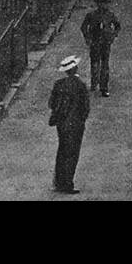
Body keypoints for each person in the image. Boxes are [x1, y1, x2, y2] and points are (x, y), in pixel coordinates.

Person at [48, 56, 90, 194]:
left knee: (62, 151)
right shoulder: (80, 85)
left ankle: (59, 182)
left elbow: (51, 104)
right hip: (76, 124)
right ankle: (67, 184)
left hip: (62, 123)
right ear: (75, 69)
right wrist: (81, 119)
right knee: (72, 154)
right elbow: (85, 107)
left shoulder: (58, 84)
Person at [80, 0, 121, 97]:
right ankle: (94, 82)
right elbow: (84, 27)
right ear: (98, 5)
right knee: (94, 64)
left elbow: (117, 26)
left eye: (105, 4)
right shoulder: (91, 15)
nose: (103, 6)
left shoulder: (110, 15)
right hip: (95, 42)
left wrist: (113, 35)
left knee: (105, 65)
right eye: (101, 3)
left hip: (106, 43)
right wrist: (88, 38)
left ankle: (104, 87)